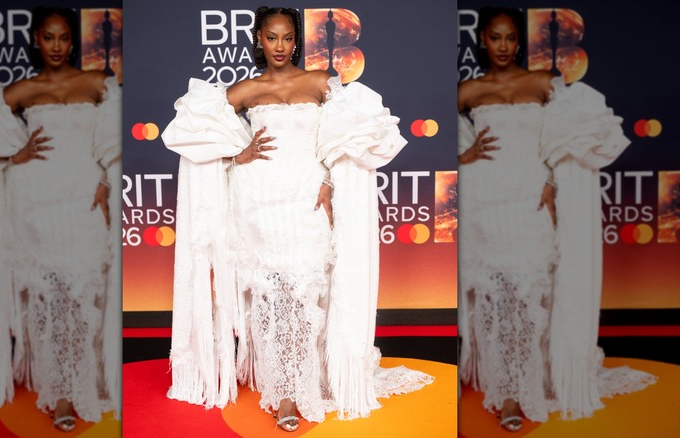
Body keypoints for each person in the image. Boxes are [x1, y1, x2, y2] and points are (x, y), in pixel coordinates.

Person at [161, 6, 433, 432]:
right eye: (272, 38)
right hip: (258, 201)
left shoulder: (321, 82)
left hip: (307, 201)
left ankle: (303, 381)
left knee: (304, 294)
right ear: (259, 40)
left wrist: (329, 179)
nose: (280, 46)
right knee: (273, 297)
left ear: (297, 41)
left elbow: (344, 138)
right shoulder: (246, 89)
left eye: (288, 38)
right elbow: (191, 128)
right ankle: (286, 394)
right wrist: (236, 153)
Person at [457, 6, 655, 432]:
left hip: (532, 202)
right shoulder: (469, 89)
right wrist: (462, 156)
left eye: (511, 38)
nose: (504, 46)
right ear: (483, 41)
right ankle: (508, 394)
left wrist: (554, 180)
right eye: (495, 37)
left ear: (520, 42)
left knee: (530, 301)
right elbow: (439, 138)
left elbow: (567, 141)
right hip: (487, 204)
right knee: (499, 299)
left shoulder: (545, 83)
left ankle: (529, 386)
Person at [0, 7, 121, 432]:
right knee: (49, 298)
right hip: (35, 202)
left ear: (72, 41)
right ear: (35, 40)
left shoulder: (99, 83)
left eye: (62, 38)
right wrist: (11, 155)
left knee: (82, 297)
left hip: (85, 202)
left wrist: (107, 183)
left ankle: (83, 384)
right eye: (47, 38)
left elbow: (111, 146)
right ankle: (60, 394)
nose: (55, 46)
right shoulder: (23, 89)